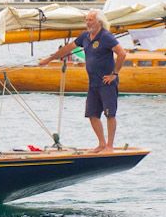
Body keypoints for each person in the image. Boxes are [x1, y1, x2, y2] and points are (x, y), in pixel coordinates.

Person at [37, 10, 127, 153]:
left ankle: (110, 146)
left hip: (106, 83)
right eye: (86, 20)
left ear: (99, 22)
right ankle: (102, 144)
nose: (88, 22)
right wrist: (49, 59)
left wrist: (114, 74)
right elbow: (68, 48)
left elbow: (122, 54)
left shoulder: (106, 37)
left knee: (110, 114)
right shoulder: (85, 36)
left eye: (90, 20)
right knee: (92, 114)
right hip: (93, 83)